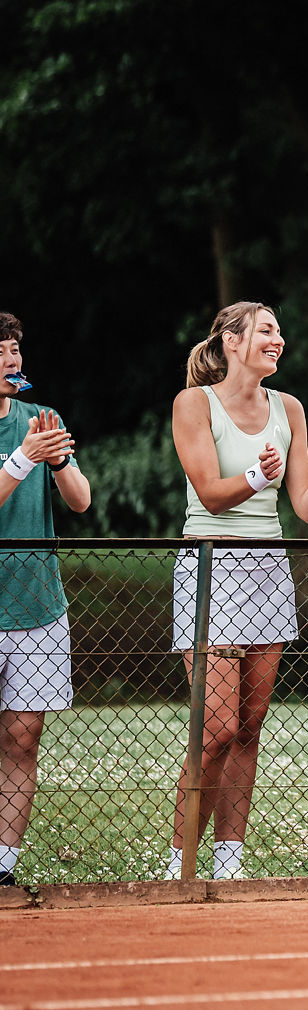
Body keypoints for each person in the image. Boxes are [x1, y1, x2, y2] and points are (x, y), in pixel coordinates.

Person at [168, 302, 308, 880]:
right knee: (216, 730)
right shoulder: (194, 403)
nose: (278, 339)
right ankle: (182, 857)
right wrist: (260, 476)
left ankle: (229, 859)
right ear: (232, 341)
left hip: (268, 569)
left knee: (250, 728)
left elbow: (307, 509)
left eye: (280, 331)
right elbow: (210, 494)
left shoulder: (288, 408)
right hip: (211, 567)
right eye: (266, 330)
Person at [0, 312, 90, 889]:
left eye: (14, 350)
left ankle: (1, 866)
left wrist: (56, 460)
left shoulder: (41, 419)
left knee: (23, 735)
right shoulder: (25, 440)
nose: (13, 360)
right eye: (0, 351)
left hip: (36, 602)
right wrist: (22, 459)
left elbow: (80, 501)